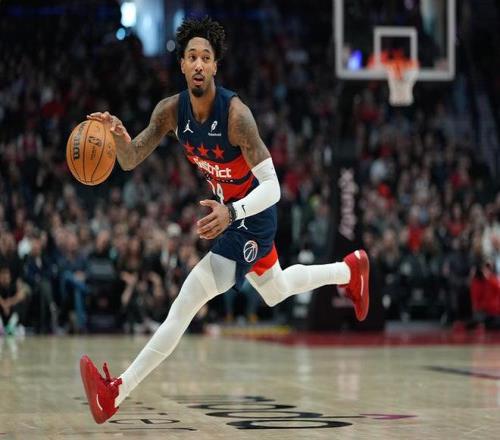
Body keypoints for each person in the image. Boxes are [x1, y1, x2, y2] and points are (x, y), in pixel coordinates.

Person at [80, 17, 370, 424]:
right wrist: (117, 136)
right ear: (182, 64)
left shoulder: (236, 116)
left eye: (206, 57)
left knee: (185, 302)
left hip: (253, 216)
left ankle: (115, 392)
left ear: (216, 65)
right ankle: (350, 270)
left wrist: (233, 211)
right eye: (192, 57)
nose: (199, 64)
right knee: (276, 290)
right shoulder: (170, 111)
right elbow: (129, 160)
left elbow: (274, 188)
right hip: (231, 215)